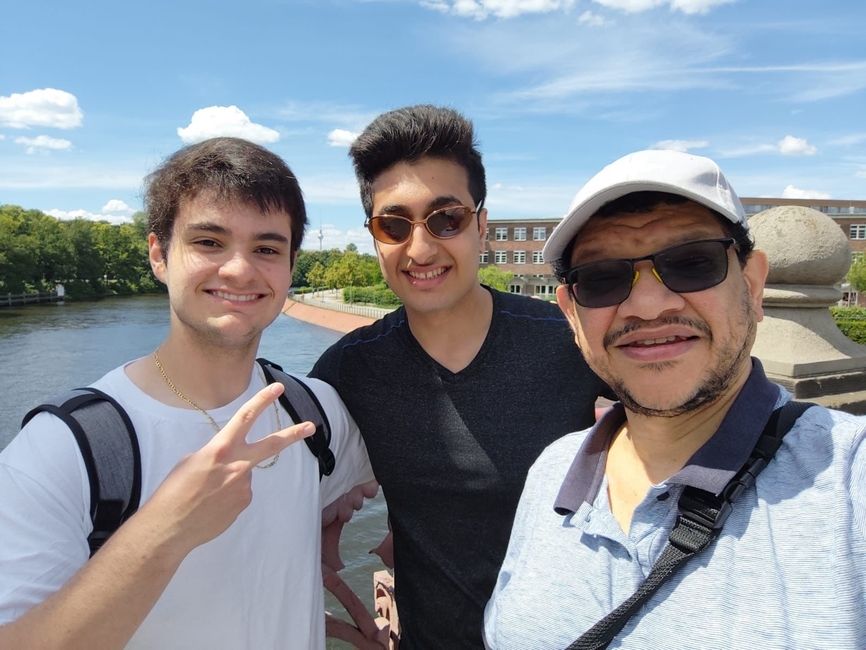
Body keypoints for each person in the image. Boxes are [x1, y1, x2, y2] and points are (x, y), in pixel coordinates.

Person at [0, 137, 375, 649]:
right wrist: (166, 532)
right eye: (209, 242)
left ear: (290, 268)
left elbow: (396, 479)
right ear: (159, 255)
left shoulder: (315, 415)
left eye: (266, 248)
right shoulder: (64, 451)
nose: (240, 269)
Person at [484, 149, 866, 648]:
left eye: (692, 264)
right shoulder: (552, 473)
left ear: (752, 286)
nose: (647, 304)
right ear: (572, 316)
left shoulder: (846, 482)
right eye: (602, 278)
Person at [310, 105, 611, 648]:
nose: (420, 248)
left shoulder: (570, 340)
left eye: (446, 218)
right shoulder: (348, 370)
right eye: (393, 224)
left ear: (481, 224)